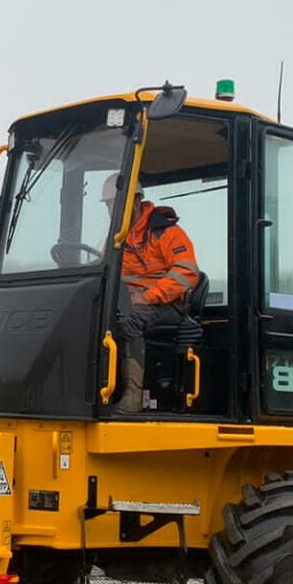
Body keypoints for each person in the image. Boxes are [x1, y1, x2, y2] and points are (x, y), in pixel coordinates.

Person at [101, 175, 200, 413]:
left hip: (168, 304)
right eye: (107, 205)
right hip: (131, 301)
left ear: (135, 202)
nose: (110, 210)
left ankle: (132, 398)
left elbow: (187, 272)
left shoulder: (165, 232)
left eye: (114, 203)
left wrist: (149, 296)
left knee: (130, 321)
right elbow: (105, 270)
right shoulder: (117, 237)